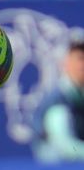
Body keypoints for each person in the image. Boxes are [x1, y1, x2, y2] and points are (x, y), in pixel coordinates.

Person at [33, 32, 84, 162]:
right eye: (80, 58)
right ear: (66, 63)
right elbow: (64, 146)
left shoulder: (79, 96)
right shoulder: (58, 100)